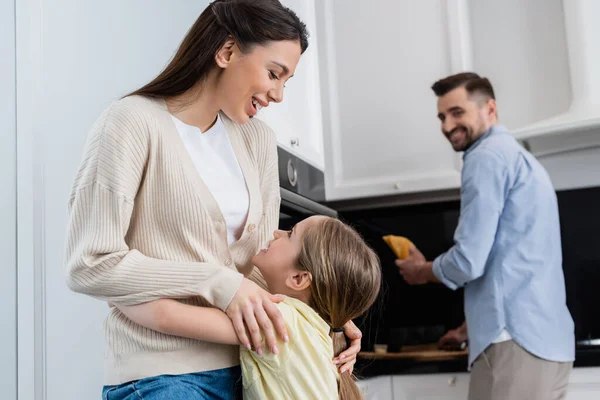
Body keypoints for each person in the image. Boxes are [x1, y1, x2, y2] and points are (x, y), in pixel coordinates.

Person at [65, 1, 360, 398]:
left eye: (286, 82)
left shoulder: (257, 140)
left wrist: (324, 315)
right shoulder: (131, 123)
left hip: (253, 369)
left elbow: (261, 266)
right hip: (164, 378)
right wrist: (214, 281)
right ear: (226, 52)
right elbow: (89, 265)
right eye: (274, 74)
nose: (278, 95)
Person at [395, 72, 574, 400]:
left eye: (457, 113)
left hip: (514, 343)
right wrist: (471, 327)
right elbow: (515, 260)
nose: (447, 126)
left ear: (489, 108)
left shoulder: (485, 158)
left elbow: (469, 260)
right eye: (441, 116)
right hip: (549, 343)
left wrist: (421, 272)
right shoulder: (522, 160)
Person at [114, 216, 382, 400]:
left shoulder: (279, 319)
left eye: (290, 234)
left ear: (298, 279)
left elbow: (165, 317)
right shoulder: (318, 335)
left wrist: (114, 288)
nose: (276, 232)